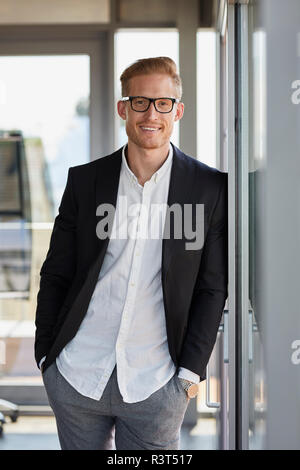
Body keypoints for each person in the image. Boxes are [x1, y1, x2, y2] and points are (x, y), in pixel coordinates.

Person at [34, 56, 228, 450]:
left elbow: (212, 287)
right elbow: (56, 273)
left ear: (179, 110)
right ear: (123, 108)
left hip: (157, 382)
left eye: (162, 103)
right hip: (76, 374)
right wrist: (45, 357)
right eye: (140, 102)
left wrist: (190, 373)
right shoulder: (85, 181)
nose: (151, 114)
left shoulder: (209, 188)